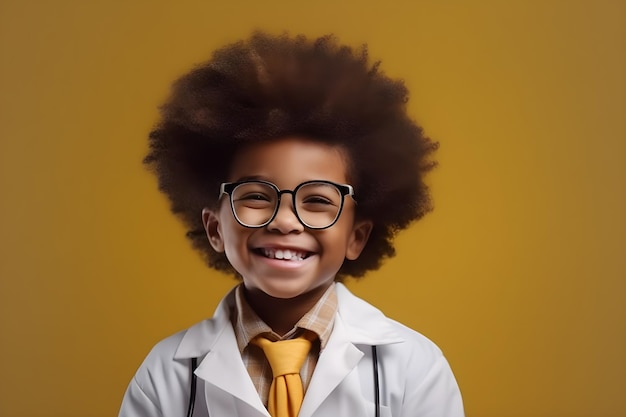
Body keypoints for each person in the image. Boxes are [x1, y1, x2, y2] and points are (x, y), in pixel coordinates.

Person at [119, 32, 464, 417]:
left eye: (317, 200)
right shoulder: (165, 375)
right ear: (215, 228)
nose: (284, 221)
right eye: (255, 196)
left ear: (356, 236)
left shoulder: (415, 368)